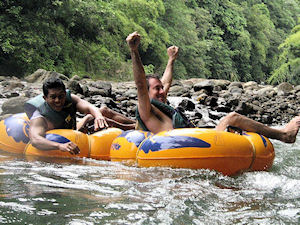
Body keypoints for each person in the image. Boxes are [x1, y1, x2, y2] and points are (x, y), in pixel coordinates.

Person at [126, 31, 300, 143]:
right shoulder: (146, 109)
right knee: (232, 118)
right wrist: (134, 51)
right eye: (156, 89)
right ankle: (284, 135)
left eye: (161, 88)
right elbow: (141, 84)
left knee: (232, 126)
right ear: (146, 94)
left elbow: (166, 81)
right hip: (185, 146)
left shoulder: (160, 105)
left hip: (194, 142)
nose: (162, 91)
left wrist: (171, 60)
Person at [25, 77, 135, 154]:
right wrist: (60, 146)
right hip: (65, 137)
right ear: (45, 98)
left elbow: (90, 107)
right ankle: (130, 128)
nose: (58, 100)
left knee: (103, 111)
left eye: (61, 96)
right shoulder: (39, 117)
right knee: (94, 117)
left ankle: (137, 124)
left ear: (65, 93)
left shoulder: (70, 99)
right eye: (53, 97)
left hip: (73, 128)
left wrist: (99, 116)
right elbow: (35, 140)